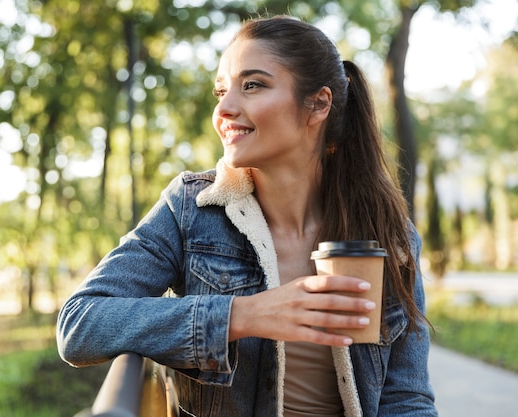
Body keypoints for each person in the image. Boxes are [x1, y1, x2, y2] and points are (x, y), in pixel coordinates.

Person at [57, 15, 438, 417]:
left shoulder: (390, 236)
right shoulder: (191, 208)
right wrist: (243, 315)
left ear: (318, 104)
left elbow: (406, 399)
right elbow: (80, 324)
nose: (224, 108)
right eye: (221, 90)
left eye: (252, 85)